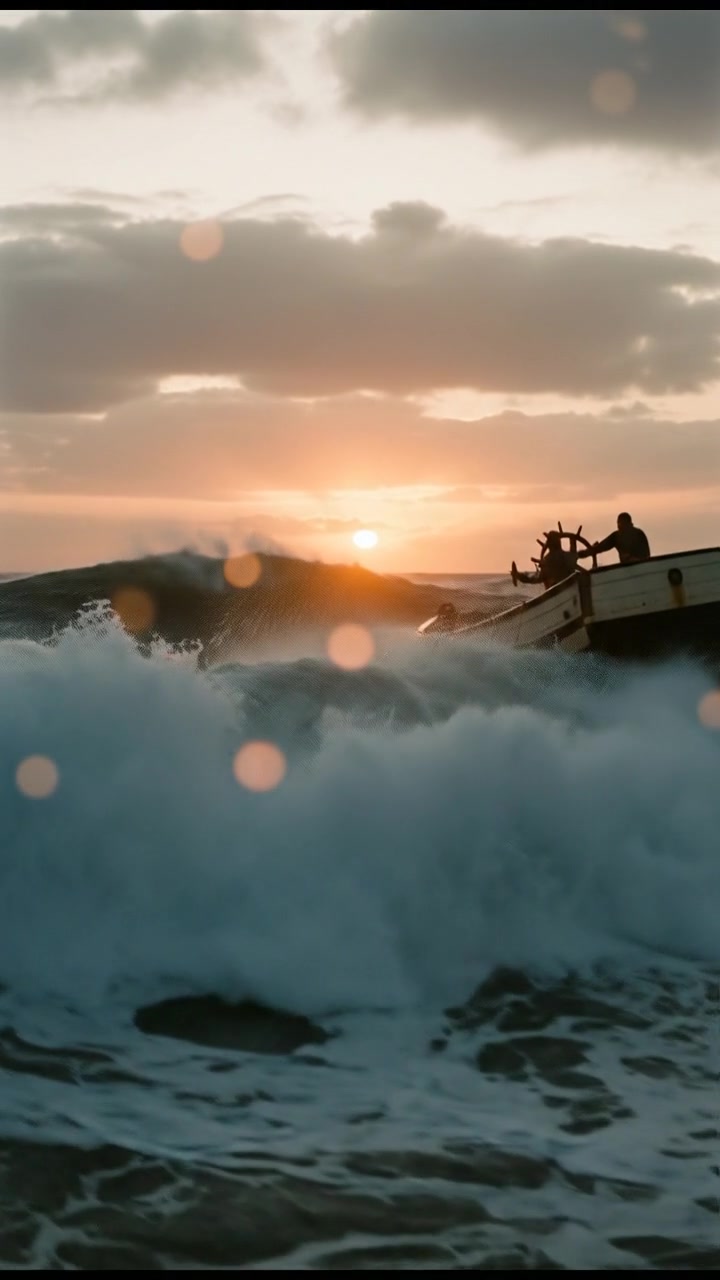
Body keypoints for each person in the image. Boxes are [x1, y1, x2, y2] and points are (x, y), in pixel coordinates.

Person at [511, 530, 577, 591]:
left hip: (557, 591)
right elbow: (582, 553)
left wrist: (520, 576)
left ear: (548, 544)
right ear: (559, 542)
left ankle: (517, 575)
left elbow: (535, 579)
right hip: (573, 587)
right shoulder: (569, 556)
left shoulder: (547, 560)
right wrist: (572, 539)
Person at [577, 512, 650, 565]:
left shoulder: (620, 535)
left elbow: (600, 547)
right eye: (619, 524)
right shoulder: (618, 536)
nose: (619, 526)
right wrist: (583, 554)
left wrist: (583, 553)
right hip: (636, 567)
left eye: (621, 523)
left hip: (636, 566)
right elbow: (600, 547)